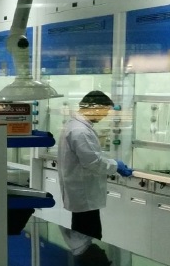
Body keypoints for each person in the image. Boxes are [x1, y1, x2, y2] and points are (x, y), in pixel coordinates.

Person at [57, 90, 133, 243]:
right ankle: (86, 258)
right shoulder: (80, 131)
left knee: (82, 234)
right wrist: (116, 166)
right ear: (95, 108)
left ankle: (82, 256)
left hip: (81, 193)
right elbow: (93, 162)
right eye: (105, 112)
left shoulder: (75, 125)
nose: (104, 116)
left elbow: (90, 156)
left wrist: (110, 162)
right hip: (84, 195)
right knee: (88, 235)